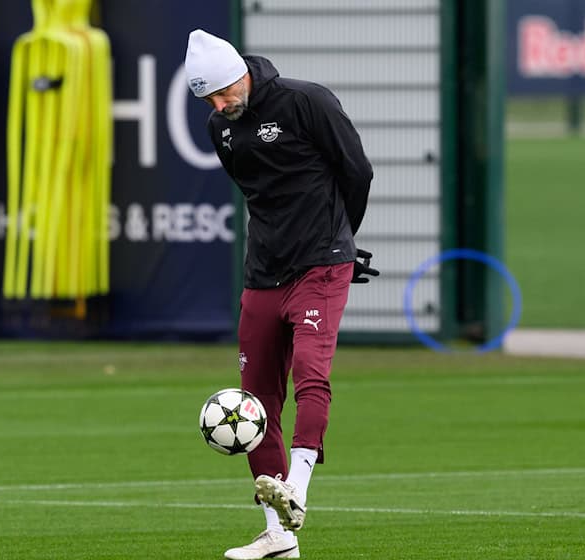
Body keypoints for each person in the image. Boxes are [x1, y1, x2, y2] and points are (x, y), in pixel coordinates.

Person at [184, 29, 379, 559]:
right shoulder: (218, 129)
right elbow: (257, 194)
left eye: (224, 92)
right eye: (210, 100)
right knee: (255, 400)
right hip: (263, 272)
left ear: (242, 72)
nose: (220, 106)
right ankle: (278, 534)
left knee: (311, 374)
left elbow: (355, 170)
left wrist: (340, 241)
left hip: (321, 265)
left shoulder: (305, 101)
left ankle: (297, 488)